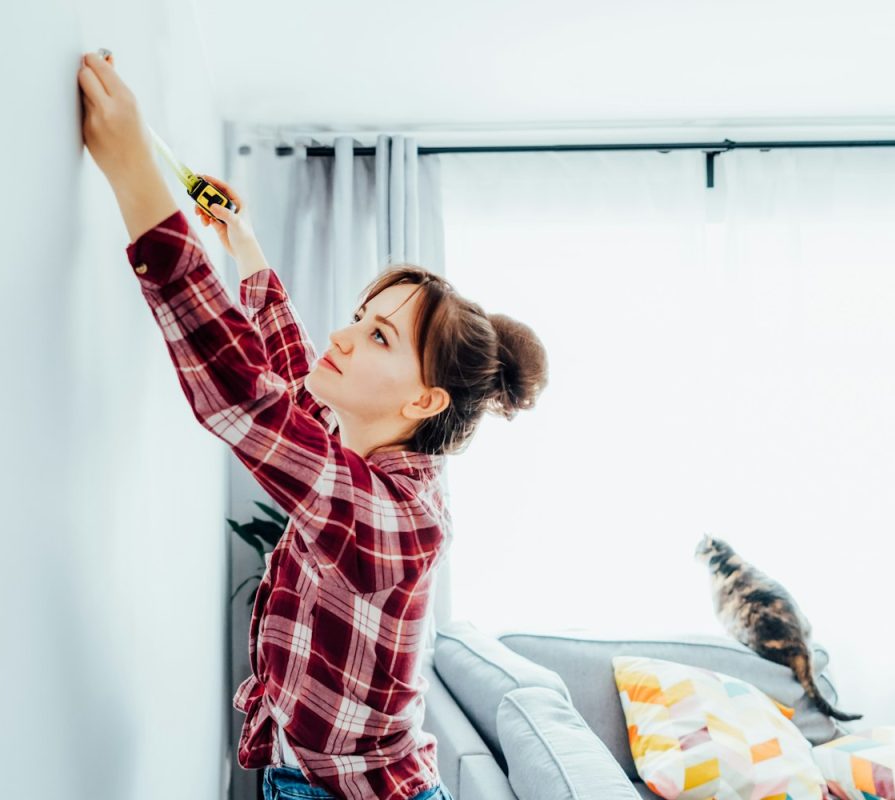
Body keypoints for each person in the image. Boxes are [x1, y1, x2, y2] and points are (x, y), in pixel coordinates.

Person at [78, 50, 548, 800]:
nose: (345, 336)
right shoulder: (359, 459)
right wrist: (244, 243)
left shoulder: (399, 519)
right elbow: (296, 384)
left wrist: (136, 175)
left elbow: (246, 399)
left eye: (380, 338)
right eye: (362, 318)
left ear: (424, 402)